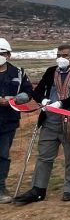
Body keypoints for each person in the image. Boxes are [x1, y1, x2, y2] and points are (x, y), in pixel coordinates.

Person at [15, 44, 70, 204]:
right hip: (50, 121)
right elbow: (37, 91)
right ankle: (38, 189)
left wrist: (62, 103)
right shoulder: (51, 71)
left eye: (65, 55)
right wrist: (44, 100)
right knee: (44, 156)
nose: (61, 58)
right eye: (58, 55)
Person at [0, 38, 34, 203]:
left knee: (2, 155)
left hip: (8, 121)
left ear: (9, 55)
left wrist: (15, 100)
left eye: (2, 53)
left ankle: (0, 188)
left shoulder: (19, 73)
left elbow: (28, 93)